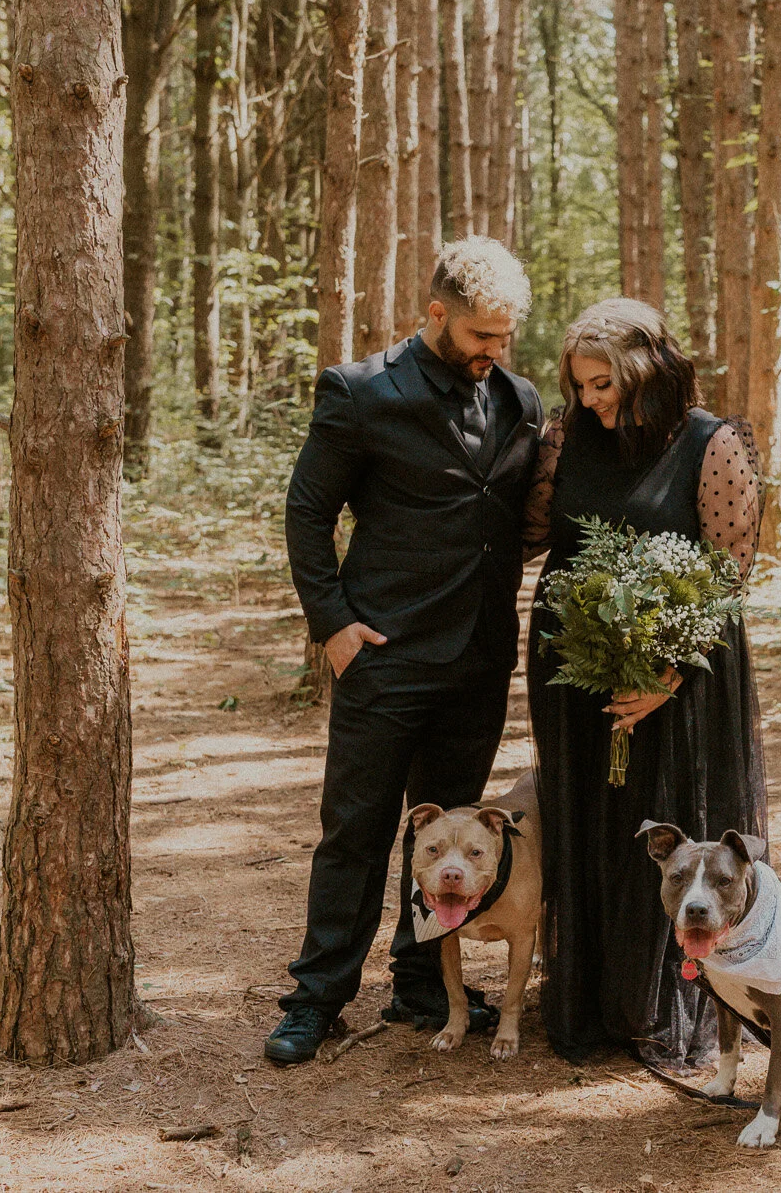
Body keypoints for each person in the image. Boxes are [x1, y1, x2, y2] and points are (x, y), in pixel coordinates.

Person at [267, 238, 544, 1064]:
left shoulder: (522, 401)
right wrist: (335, 627)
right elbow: (306, 513)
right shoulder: (360, 394)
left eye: (505, 337)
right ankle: (316, 999)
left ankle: (422, 986)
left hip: (479, 661)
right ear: (437, 315)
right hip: (383, 656)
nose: (495, 352)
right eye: (481, 336)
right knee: (355, 830)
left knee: (452, 837)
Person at [523, 297, 767, 1066]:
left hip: (681, 677)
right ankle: (596, 1002)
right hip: (577, 670)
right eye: (580, 385)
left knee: (668, 825)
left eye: (603, 385)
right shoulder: (564, 439)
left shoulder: (712, 443)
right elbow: (530, 530)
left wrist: (664, 676)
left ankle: (671, 1004)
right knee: (590, 824)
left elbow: (726, 577)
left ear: (645, 371)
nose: (589, 400)